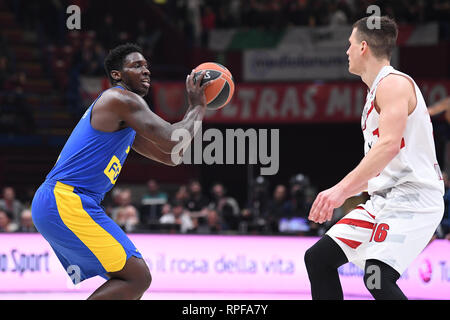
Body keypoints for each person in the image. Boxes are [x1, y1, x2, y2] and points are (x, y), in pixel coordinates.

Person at [31, 43, 211, 300]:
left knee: (129, 280)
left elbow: (172, 156)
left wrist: (195, 111)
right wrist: (197, 107)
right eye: (137, 66)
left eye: (147, 66)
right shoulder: (120, 99)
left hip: (68, 202)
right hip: (66, 200)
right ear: (117, 75)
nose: (146, 71)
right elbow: (173, 139)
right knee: (136, 277)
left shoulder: (125, 118)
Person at [304, 16, 445, 300]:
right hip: (384, 200)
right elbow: (380, 170)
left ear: (363, 47)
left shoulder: (393, 84)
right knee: (318, 259)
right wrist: (343, 194)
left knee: (377, 277)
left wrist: (339, 190)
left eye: (350, 44)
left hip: (414, 199)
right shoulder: (374, 94)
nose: (346, 51)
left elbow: (389, 145)